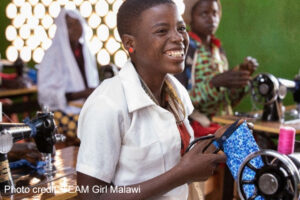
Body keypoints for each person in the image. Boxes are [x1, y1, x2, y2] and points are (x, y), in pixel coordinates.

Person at [76, 0, 228, 199]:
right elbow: (90, 196)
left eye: (181, 28)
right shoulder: (108, 104)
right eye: (162, 31)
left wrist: (217, 140)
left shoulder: (174, 91)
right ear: (130, 43)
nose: (178, 38)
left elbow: (175, 154)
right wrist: (181, 175)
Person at [176, 0, 259, 137]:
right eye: (204, 14)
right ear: (190, 18)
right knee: (248, 146)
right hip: (197, 125)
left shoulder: (217, 50)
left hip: (221, 122)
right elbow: (179, 101)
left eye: (215, 13)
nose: (212, 19)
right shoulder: (186, 48)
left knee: (258, 142)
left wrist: (241, 78)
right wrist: (215, 83)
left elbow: (228, 100)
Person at [37, 8, 99, 115]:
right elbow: (44, 94)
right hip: (64, 113)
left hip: (89, 109)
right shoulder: (52, 56)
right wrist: (78, 95)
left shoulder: (86, 51)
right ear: (62, 29)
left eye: (77, 23)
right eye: (70, 25)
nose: (75, 28)